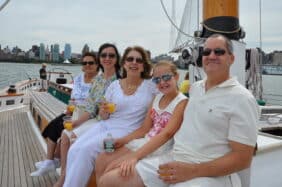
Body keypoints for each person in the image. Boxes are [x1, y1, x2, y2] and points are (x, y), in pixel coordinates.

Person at [98, 34, 259, 187]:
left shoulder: (242, 98)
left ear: (231, 58)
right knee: (108, 181)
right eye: (206, 51)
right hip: (173, 157)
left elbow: (242, 159)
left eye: (219, 51)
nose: (211, 55)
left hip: (207, 171)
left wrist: (194, 171)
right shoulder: (196, 88)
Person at [62, 46, 158, 187]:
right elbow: (104, 115)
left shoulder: (151, 88)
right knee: (75, 147)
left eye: (139, 60)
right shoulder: (114, 85)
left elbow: (169, 98)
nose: (134, 62)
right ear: (124, 63)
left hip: (127, 131)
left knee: (86, 150)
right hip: (105, 125)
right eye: (130, 59)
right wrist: (103, 111)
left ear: (144, 66)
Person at [96, 61, 188, 187]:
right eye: (157, 80)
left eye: (166, 77)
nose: (162, 82)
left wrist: (134, 156)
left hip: (160, 149)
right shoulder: (157, 98)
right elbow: (144, 129)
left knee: (109, 176)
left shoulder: (182, 102)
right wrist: (122, 140)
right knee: (102, 158)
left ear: (176, 77)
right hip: (144, 142)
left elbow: (166, 134)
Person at [53, 43, 121, 187]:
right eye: (103, 55)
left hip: (110, 122)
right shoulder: (98, 80)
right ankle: (64, 175)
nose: (107, 58)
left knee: (73, 139)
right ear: (100, 59)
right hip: (96, 118)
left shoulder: (120, 80)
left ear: (117, 58)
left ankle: (71, 178)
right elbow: (90, 108)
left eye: (111, 55)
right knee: (65, 133)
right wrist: (75, 123)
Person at [30, 52, 99, 177]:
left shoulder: (99, 81)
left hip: (87, 116)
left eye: (91, 63)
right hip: (73, 111)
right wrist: (69, 108)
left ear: (97, 64)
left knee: (62, 131)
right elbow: (73, 98)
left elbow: (94, 105)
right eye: (85, 63)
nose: (87, 65)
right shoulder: (78, 78)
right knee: (53, 125)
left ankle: (53, 162)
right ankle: (49, 161)